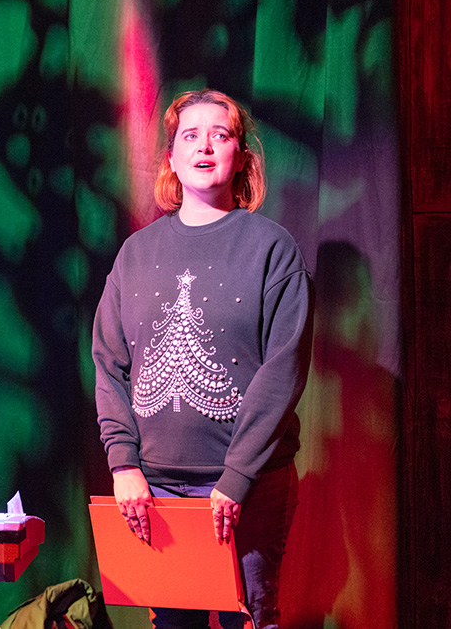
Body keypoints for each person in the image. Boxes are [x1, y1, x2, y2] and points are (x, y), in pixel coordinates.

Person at [92, 89, 313, 629]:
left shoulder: (273, 248)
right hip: (156, 492)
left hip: (248, 488)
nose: (205, 146)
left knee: (250, 620)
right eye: (190, 135)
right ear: (171, 158)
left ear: (242, 155)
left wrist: (236, 478)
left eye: (220, 134)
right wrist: (123, 464)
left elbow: (283, 369)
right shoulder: (136, 253)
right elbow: (109, 363)